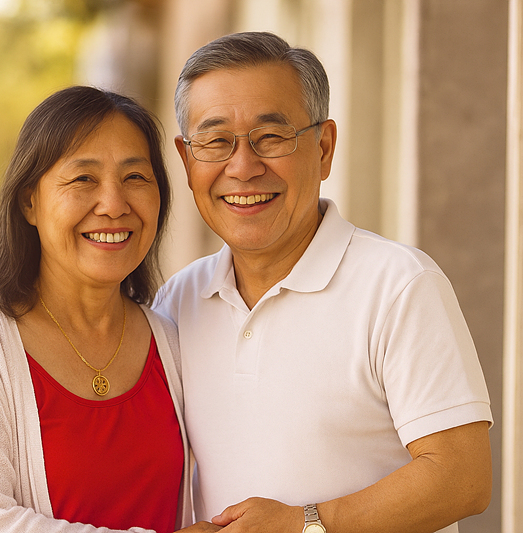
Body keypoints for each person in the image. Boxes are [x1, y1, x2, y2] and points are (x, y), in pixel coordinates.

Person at [154, 32, 493, 533]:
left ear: (324, 147)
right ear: (187, 161)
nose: (243, 167)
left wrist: (306, 524)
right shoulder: (177, 300)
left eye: (271, 136)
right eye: (216, 142)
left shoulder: (398, 285)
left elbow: (463, 477)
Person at [0, 86, 194, 533]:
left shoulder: (174, 340)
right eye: (83, 179)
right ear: (29, 201)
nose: (114, 205)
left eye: (135, 177)